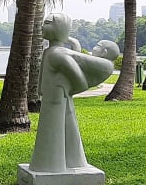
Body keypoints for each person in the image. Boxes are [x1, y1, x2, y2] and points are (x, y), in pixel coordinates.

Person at [28, 13, 117, 174]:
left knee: (52, 130)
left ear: (58, 28)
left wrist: (67, 90)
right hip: (57, 95)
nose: (42, 26)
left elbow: (79, 78)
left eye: (47, 23)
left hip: (56, 97)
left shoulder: (57, 54)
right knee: (67, 128)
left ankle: (50, 165)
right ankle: (73, 160)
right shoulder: (53, 52)